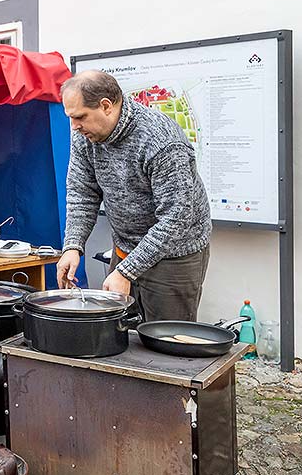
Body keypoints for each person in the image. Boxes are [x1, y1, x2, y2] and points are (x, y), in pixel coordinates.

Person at [56, 70, 212, 322]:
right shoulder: (85, 136)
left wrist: (126, 271)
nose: (74, 126)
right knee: (119, 333)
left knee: (167, 340)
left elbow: (176, 218)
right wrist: (73, 246)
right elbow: (82, 194)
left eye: (80, 117)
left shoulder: (161, 141)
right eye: (71, 118)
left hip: (174, 255)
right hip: (125, 248)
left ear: (106, 106)